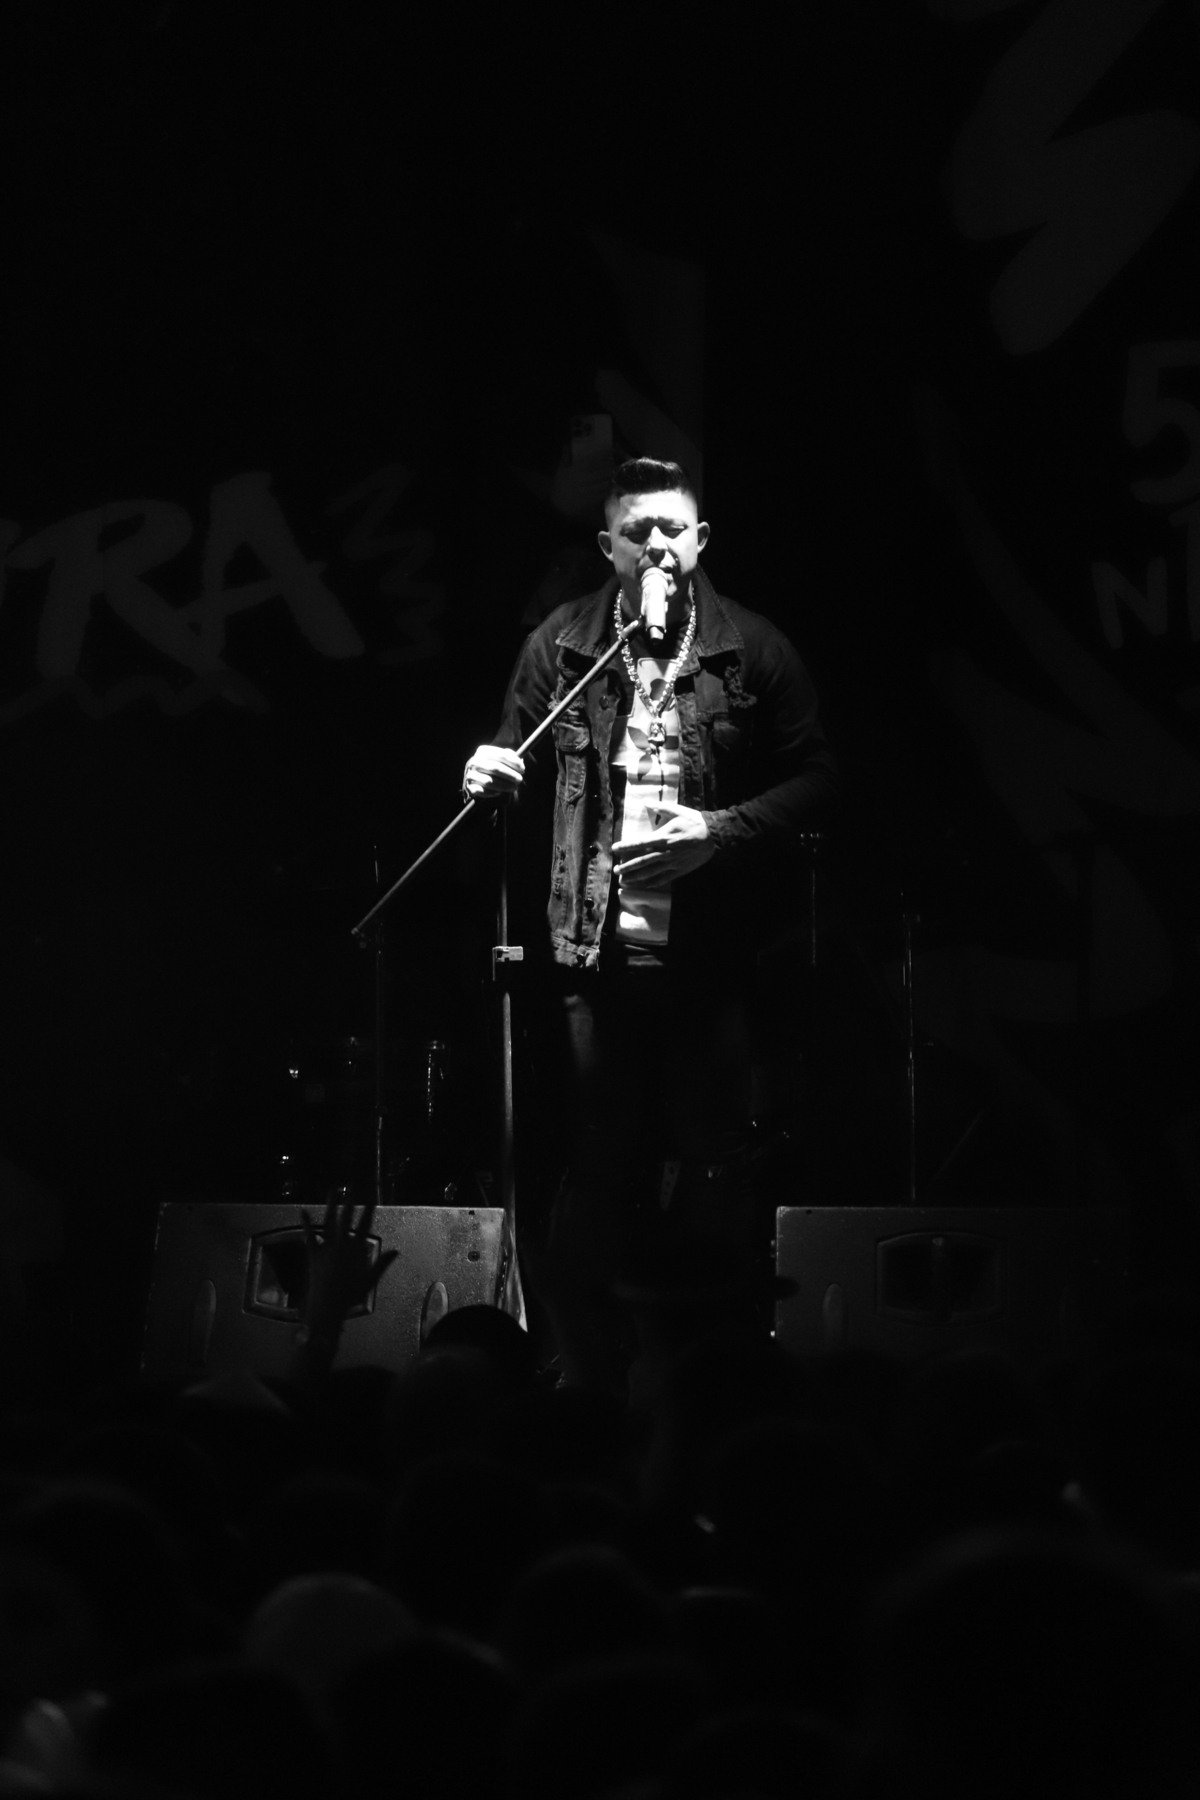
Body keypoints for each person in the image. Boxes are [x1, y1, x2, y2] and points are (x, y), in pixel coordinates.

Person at [464, 458, 838, 1391]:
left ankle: (710, 1363)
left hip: (711, 955)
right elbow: (509, 751)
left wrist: (718, 831)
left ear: (700, 540)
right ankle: (587, 1367)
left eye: (673, 529)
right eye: (638, 532)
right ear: (609, 546)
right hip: (595, 953)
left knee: (716, 1157)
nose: (658, 545)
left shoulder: (751, 646)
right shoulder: (563, 644)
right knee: (601, 1158)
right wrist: (487, 770)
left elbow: (822, 778)